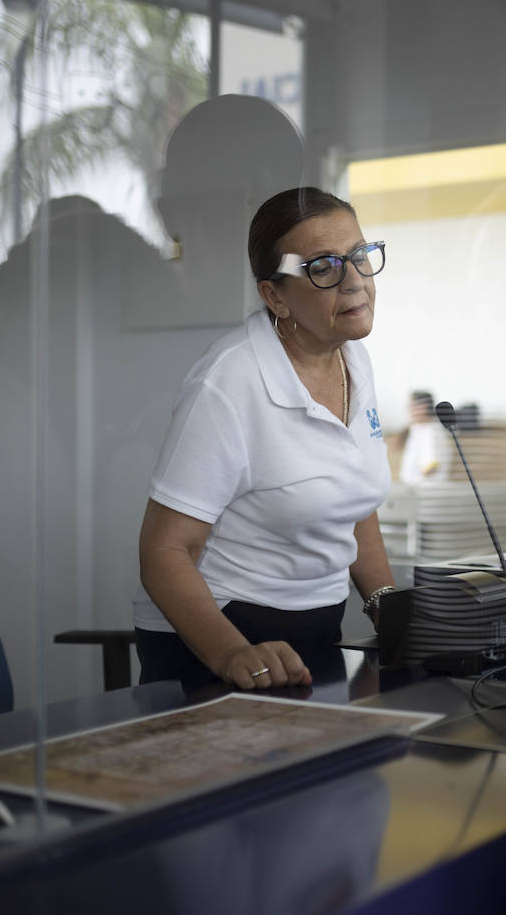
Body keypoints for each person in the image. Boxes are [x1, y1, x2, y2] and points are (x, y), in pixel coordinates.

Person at [134, 187, 397, 690]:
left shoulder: (352, 360)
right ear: (274, 294)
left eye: (361, 256)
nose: (355, 282)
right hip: (218, 636)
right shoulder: (229, 382)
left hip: (317, 629)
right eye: (323, 267)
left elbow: (353, 498)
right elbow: (164, 552)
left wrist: (393, 613)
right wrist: (230, 651)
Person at [399, 389, 451, 484]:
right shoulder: (419, 429)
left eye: (412, 406)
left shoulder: (430, 432)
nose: (409, 410)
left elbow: (431, 466)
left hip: (425, 491)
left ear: (422, 408)